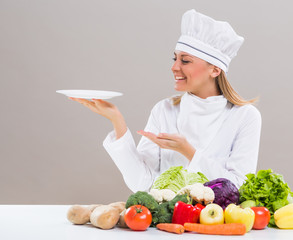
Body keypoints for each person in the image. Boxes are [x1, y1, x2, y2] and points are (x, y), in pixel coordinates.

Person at [69, 9, 262, 193]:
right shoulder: (164, 109)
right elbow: (142, 183)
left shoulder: (245, 116)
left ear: (215, 70)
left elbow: (239, 187)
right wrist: (116, 120)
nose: (174, 67)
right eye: (175, 58)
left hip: (214, 223)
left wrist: (188, 151)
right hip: (168, 223)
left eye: (185, 61)